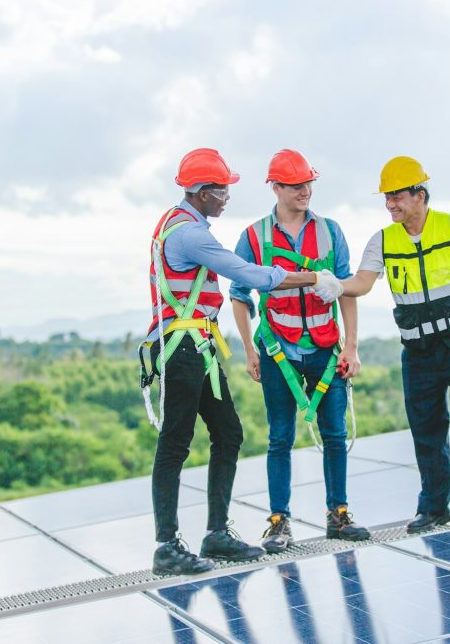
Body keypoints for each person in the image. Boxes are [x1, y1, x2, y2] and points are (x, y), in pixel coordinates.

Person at [146, 147, 344, 576]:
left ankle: (216, 532)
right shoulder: (190, 234)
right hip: (182, 347)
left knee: (229, 433)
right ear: (199, 193)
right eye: (220, 190)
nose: (226, 198)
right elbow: (249, 274)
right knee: (176, 444)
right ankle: (166, 544)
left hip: (197, 344)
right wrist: (313, 277)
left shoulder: (176, 222)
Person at [339, 156, 450, 530]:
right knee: (426, 428)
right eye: (387, 198)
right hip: (418, 351)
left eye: (397, 196)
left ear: (419, 194)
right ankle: (433, 506)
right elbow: (362, 283)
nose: (391, 204)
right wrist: (331, 285)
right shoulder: (382, 240)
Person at [230, 149, 371, 553]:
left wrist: (351, 346)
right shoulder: (255, 237)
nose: (305, 190)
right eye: (295, 185)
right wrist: (248, 350)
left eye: (308, 183)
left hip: (326, 349)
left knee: (335, 434)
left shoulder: (330, 231)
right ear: (276, 187)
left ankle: (338, 515)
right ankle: (279, 522)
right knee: (280, 437)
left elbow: (346, 290)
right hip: (277, 350)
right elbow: (239, 295)